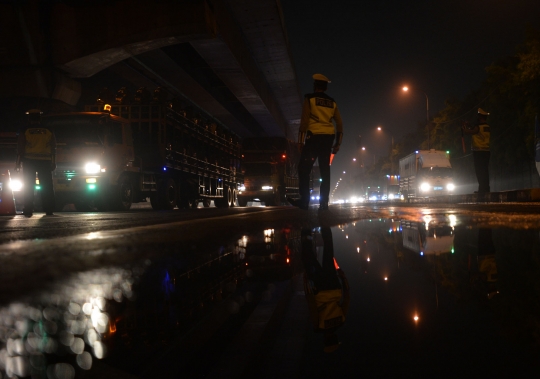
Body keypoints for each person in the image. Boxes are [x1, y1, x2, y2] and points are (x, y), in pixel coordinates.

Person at [289, 74, 343, 210]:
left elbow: (304, 121)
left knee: (303, 169)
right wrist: (337, 144)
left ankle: (304, 201)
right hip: (328, 139)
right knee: (325, 171)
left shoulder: (310, 99)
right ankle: (324, 203)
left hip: (313, 138)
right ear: (325, 87)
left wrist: (300, 142)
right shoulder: (332, 102)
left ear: (315, 86)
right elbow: (340, 124)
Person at [301, 227, 350, 353]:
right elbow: (311, 304)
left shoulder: (341, 321)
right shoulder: (319, 326)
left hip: (334, 286)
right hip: (320, 287)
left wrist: (342, 276)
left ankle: (326, 226)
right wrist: (306, 283)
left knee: (328, 253)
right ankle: (305, 231)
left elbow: (347, 297)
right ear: (325, 339)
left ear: (335, 337)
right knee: (308, 257)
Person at [16, 109, 56, 216]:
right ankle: (49, 209)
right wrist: (53, 162)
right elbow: (53, 146)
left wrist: (18, 163)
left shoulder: (25, 130)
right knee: (47, 186)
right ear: (40, 118)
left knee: (28, 185)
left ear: (29, 118)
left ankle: (28, 209)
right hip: (45, 162)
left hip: (29, 161)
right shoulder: (48, 130)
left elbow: (20, 147)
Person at [462, 108, 490, 194]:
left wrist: (464, 127)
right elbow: (475, 130)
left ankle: (481, 189)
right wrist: (470, 125)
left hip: (478, 152)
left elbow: (469, 131)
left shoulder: (478, 128)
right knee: (485, 170)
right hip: (487, 151)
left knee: (479, 171)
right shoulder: (487, 127)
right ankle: (486, 188)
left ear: (480, 117)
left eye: (478, 116)